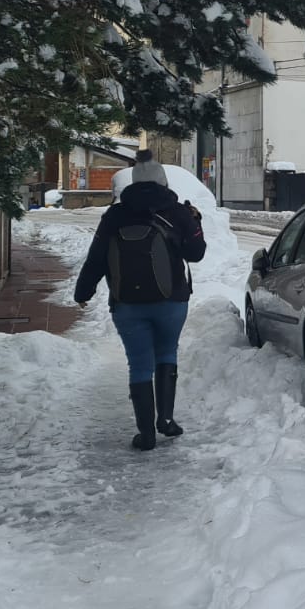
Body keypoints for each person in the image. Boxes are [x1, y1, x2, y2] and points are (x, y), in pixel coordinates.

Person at [75, 150, 206, 451]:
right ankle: (167, 420)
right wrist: (195, 222)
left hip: (127, 303)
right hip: (172, 301)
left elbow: (96, 258)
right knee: (167, 353)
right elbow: (196, 254)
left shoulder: (115, 215)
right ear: (163, 180)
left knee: (139, 364)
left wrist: (83, 292)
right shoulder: (178, 212)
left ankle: (146, 434)